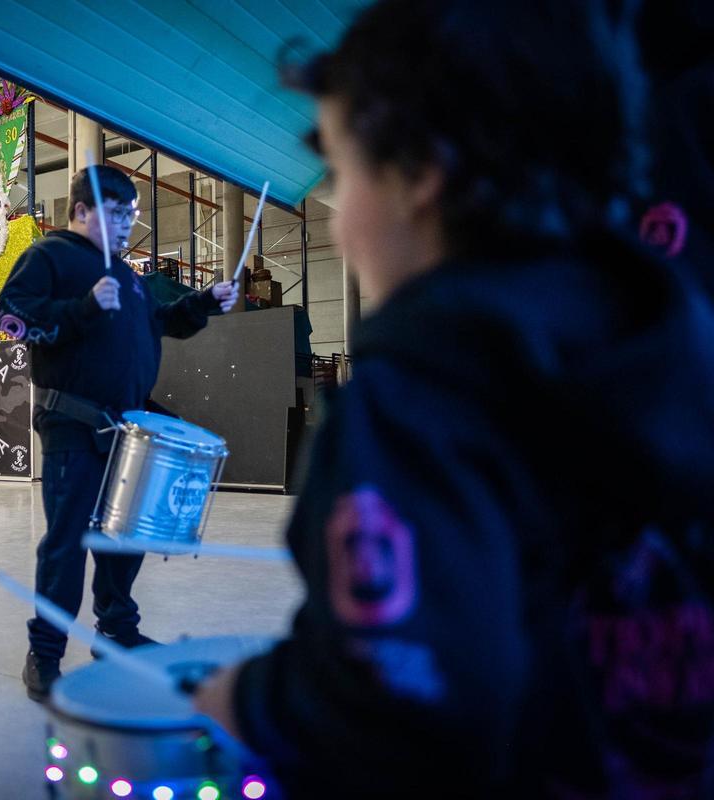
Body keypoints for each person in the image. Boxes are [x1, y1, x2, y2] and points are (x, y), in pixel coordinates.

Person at [190, 2, 714, 797]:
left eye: (343, 174)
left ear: (422, 172)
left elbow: (399, 699)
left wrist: (254, 703)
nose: (339, 226)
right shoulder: (672, 352)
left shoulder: (423, 394)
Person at [0, 164, 237, 701]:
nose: (126, 222)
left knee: (127, 534)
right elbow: (11, 318)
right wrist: (81, 309)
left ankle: (116, 631)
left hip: (129, 429)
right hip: (73, 425)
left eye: (131, 213)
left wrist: (203, 303)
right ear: (81, 211)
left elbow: (159, 322)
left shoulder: (126, 275)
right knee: (66, 543)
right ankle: (46, 653)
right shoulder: (49, 255)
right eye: (115, 211)